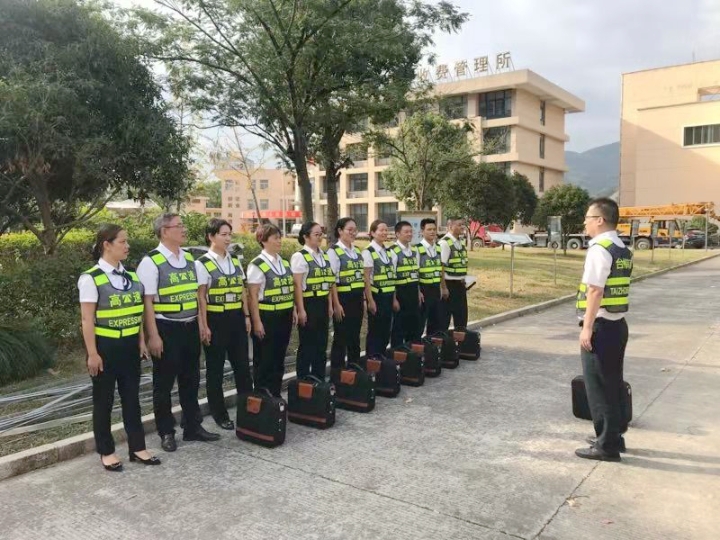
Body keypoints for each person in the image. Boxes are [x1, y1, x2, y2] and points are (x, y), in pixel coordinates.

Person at [79, 225, 161, 471]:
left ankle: (137, 447)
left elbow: (136, 314)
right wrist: (92, 353)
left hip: (129, 347)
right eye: (122, 242)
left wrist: (140, 341)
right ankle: (106, 451)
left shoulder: (132, 277)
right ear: (107, 245)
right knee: (103, 401)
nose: (127, 246)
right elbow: (87, 320)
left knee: (132, 399)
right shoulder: (91, 278)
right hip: (105, 348)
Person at [137, 213, 220, 453]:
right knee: (163, 384)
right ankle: (166, 431)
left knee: (191, 379)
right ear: (165, 231)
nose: (184, 229)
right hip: (166, 328)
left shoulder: (189, 259)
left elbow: (197, 296)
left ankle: (192, 426)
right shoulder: (151, 262)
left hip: (190, 326)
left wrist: (202, 325)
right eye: (179, 226)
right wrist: (153, 336)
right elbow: (147, 303)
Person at [575, 198, 632, 462]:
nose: (585, 222)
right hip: (617, 325)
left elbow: (595, 290)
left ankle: (606, 446)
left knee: (598, 386)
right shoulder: (621, 247)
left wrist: (587, 328)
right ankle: (613, 437)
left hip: (601, 326)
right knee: (613, 383)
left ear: (600, 220)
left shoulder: (599, 248)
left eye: (588, 217)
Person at [196, 219, 253, 431]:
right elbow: (201, 297)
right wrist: (204, 325)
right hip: (215, 319)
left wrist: (246, 316)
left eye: (230, 234)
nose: (228, 238)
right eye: (223, 234)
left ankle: (248, 410)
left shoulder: (235, 261)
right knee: (215, 369)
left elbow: (242, 290)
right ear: (211, 236)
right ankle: (220, 414)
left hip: (236, 318)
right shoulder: (202, 263)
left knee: (242, 367)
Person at [247, 224, 297, 397]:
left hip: (285, 315)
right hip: (267, 317)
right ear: (263, 240)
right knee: (265, 359)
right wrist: (257, 322)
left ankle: (275, 396)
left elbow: (289, 289)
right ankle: (262, 396)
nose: (279, 241)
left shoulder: (284, 262)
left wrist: (294, 309)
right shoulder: (257, 264)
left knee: (279, 357)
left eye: (279, 237)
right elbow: (252, 296)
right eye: (275, 238)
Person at [291, 222, 335, 379]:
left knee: (321, 344)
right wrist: (301, 310)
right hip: (308, 303)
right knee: (307, 345)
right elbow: (297, 285)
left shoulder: (324, 255)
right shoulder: (300, 257)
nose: (320, 237)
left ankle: (319, 379)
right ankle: (303, 380)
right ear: (306, 236)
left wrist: (330, 305)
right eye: (316, 234)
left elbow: (328, 282)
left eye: (321, 234)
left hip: (322, 302)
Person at [328, 218, 365, 369]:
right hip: (343, 300)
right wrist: (336, 305)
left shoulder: (357, 251)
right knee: (341, 337)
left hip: (357, 298)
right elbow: (332, 281)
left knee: (355, 336)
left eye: (355, 230)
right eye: (350, 230)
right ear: (340, 231)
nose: (353, 233)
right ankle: (337, 372)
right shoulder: (334, 252)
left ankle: (354, 368)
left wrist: (363, 299)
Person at [362, 219, 399, 356]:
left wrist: (394, 299)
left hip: (388, 296)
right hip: (376, 297)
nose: (384, 232)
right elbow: (366, 279)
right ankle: (373, 358)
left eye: (386, 230)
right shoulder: (368, 252)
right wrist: (370, 300)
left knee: (385, 330)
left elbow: (392, 277)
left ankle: (382, 357)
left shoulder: (389, 252)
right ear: (372, 233)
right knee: (375, 331)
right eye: (381, 230)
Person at [389, 221, 421, 346]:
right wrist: (394, 299)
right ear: (397, 234)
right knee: (399, 328)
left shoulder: (414, 250)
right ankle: (398, 352)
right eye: (406, 232)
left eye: (411, 232)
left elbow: (416, 274)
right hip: (400, 294)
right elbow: (391, 278)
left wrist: (418, 293)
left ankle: (412, 354)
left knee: (414, 326)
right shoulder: (393, 251)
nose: (409, 234)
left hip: (413, 293)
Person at [416, 218, 446, 336]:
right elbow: (415, 272)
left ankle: (431, 345)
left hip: (435, 289)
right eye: (429, 229)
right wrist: (418, 291)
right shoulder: (417, 249)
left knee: (435, 322)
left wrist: (442, 287)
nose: (432, 232)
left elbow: (440, 269)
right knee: (420, 322)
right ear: (422, 231)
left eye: (434, 229)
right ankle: (418, 344)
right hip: (424, 289)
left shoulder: (438, 248)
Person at [439, 217, 468, 331]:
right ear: (450, 226)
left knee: (461, 317)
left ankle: (460, 339)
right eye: (459, 225)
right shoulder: (444, 243)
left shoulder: (460, 242)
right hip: (449, 285)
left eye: (463, 225)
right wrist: (443, 287)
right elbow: (441, 267)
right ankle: (444, 340)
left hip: (460, 285)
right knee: (444, 318)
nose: (462, 227)